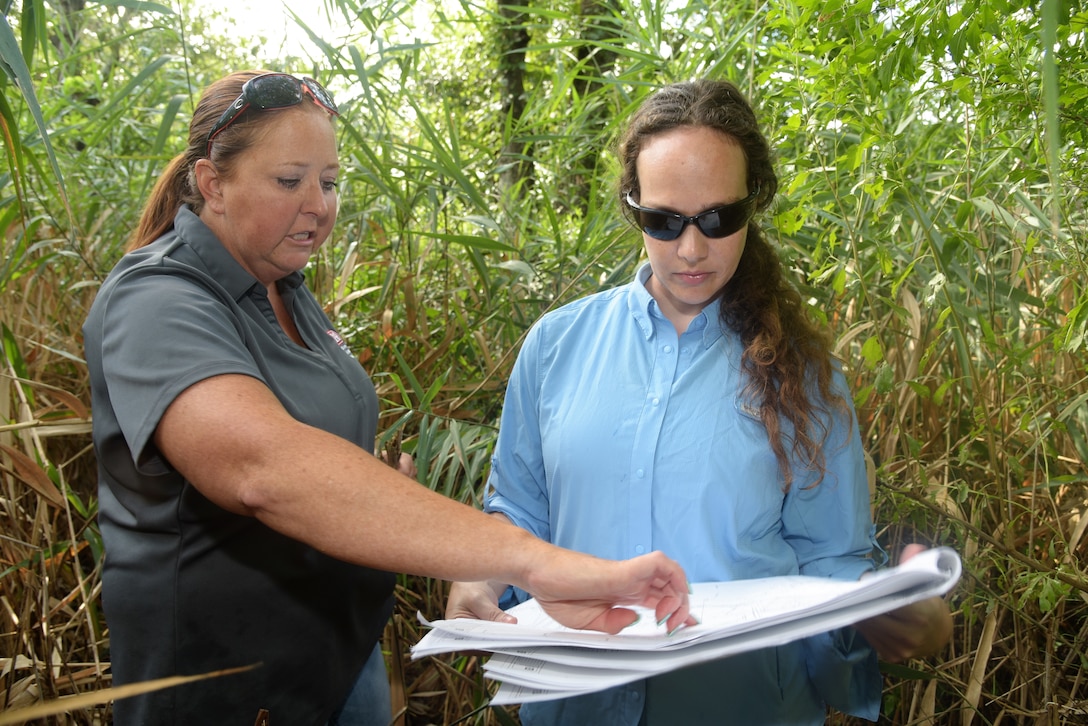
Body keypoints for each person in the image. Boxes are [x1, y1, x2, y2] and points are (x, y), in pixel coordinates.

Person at [82, 70, 696, 726]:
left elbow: (314, 449)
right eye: (290, 181)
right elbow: (265, 468)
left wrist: (365, 477)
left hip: (341, 666)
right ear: (213, 185)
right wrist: (534, 562)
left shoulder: (285, 289)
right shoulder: (155, 301)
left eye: (329, 181)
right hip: (225, 692)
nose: (318, 205)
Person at [445, 79, 953, 724]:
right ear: (632, 206)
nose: (690, 249)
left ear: (753, 203)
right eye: (663, 220)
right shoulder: (555, 345)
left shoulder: (804, 370)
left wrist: (891, 612)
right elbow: (516, 511)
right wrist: (479, 579)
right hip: (574, 705)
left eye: (719, 219)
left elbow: (833, 557)